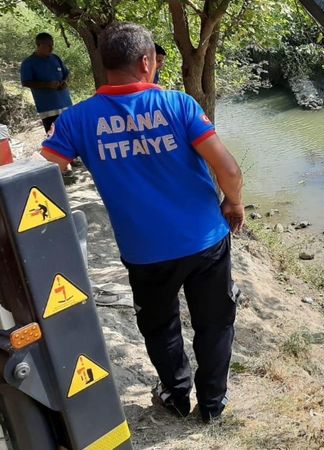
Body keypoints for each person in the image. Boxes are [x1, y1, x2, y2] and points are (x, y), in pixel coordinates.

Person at [40, 22, 244, 423]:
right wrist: (233, 203)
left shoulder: (76, 120)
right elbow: (229, 170)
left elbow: (41, 175)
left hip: (144, 250)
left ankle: (176, 395)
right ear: (147, 61)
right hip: (205, 240)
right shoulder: (180, 105)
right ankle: (213, 404)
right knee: (215, 322)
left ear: (105, 63)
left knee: (160, 325)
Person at [20, 32, 73, 133]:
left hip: (66, 105)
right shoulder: (29, 62)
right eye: (48, 45)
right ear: (38, 45)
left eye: (52, 45)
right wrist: (47, 85)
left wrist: (65, 82)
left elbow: (66, 74)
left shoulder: (56, 58)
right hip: (48, 110)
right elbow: (25, 82)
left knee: (73, 134)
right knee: (54, 137)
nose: (51, 48)